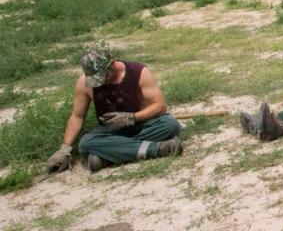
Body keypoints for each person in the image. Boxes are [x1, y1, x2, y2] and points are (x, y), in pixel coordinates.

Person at [45, 46, 183, 174]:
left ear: (112, 64)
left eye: (103, 77)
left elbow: (160, 106)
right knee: (85, 144)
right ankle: (158, 149)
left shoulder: (138, 72)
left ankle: (107, 157)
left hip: (142, 124)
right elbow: (77, 117)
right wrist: (64, 150)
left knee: (170, 125)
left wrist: (132, 117)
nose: (100, 82)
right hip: (111, 132)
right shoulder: (84, 83)